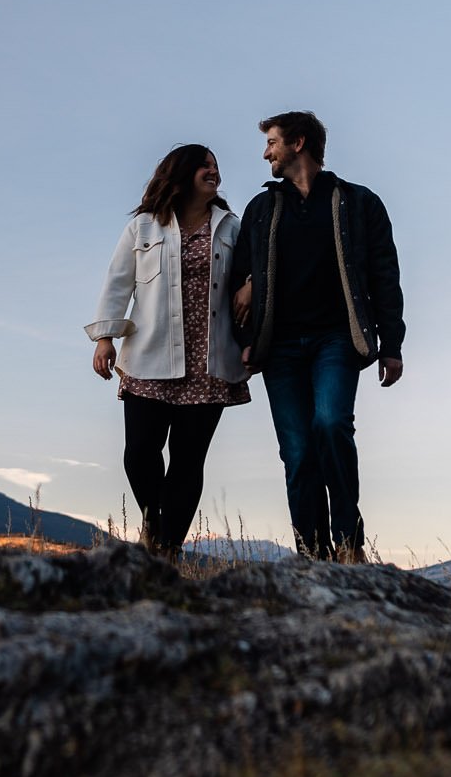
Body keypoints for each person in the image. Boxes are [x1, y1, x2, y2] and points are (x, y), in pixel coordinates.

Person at [226, 111, 403, 561]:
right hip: (279, 346)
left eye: (272, 142)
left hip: (337, 341)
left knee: (330, 425)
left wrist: (392, 345)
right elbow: (237, 277)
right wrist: (246, 332)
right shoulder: (262, 208)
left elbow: (384, 275)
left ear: (298, 143)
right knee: (298, 451)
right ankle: (312, 552)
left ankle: (348, 543)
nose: (266, 152)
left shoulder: (359, 203)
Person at [86, 144, 250, 556]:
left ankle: (167, 549)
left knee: (187, 461)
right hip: (150, 356)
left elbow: (252, 275)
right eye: (206, 166)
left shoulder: (231, 227)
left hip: (209, 361)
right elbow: (118, 281)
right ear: (182, 172)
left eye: (217, 167)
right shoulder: (143, 227)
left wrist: (252, 285)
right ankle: (154, 523)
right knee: (139, 453)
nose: (214, 172)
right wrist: (105, 337)